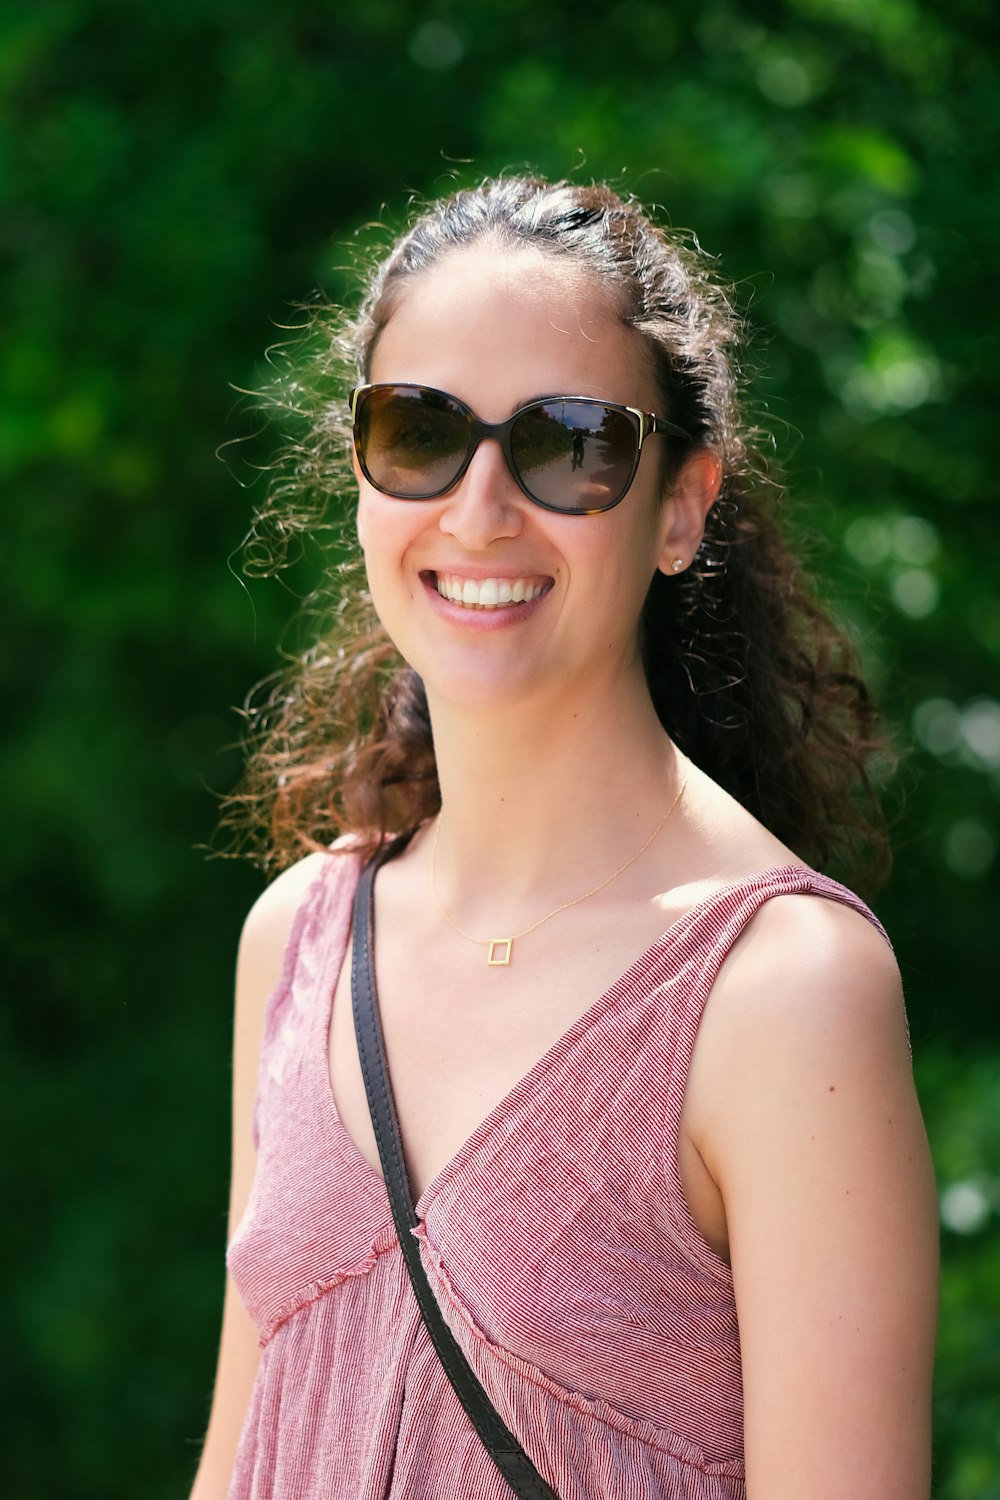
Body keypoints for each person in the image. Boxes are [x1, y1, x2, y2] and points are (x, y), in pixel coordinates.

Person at [190, 177, 939, 1500]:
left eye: (569, 443)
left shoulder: (779, 991)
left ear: (680, 507)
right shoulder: (299, 937)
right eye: (419, 431)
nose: (480, 507)